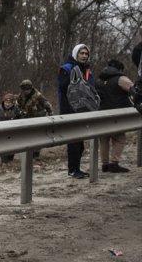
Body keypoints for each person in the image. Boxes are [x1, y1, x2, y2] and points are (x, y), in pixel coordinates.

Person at [57, 43, 94, 179]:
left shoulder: (88, 70)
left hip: (83, 110)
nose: (84, 56)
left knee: (80, 144)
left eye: (86, 54)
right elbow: (64, 87)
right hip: (69, 110)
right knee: (73, 143)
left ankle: (76, 168)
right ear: (75, 54)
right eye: (81, 53)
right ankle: (72, 170)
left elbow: (91, 88)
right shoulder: (66, 68)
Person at [96, 59, 134, 172]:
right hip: (117, 113)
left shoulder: (100, 80)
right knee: (119, 137)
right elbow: (135, 90)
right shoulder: (121, 79)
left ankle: (105, 164)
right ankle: (114, 163)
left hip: (101, 113)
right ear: (119, 68)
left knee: (104, 139)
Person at [0, 92, 22, 163]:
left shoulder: (16, 109)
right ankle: (4, 162)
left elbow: (20, 120)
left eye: (9, 102)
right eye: (6, 101)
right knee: (3, 150)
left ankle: (10, 161)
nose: (7, 103)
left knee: (12, 150)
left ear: (13, 103)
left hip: (12, 133)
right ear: (3, 101)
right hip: (2, 133)